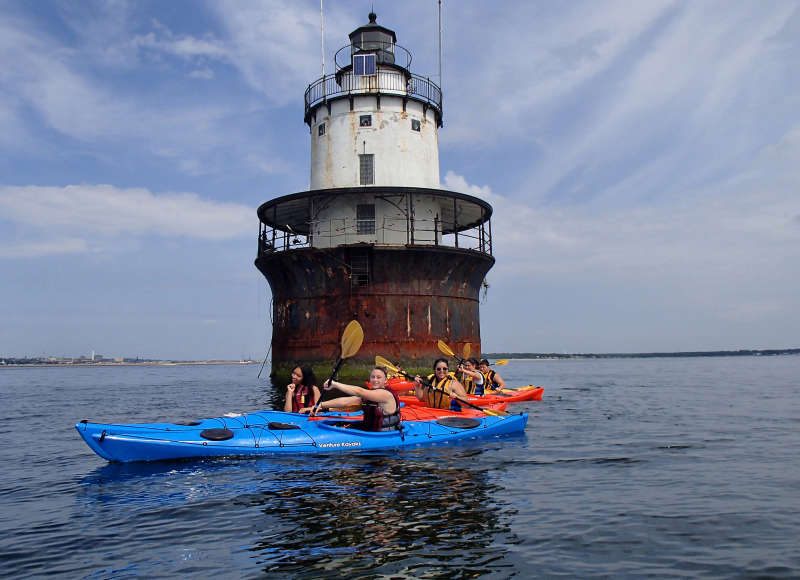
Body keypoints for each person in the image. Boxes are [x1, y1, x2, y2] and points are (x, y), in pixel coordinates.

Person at [301, 366, 401, 432]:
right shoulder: (370, 395)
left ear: (385, 380)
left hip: (385, 437)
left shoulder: (385, 394)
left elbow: (359, 391)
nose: (375, 380)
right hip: (369, 432)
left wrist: (335, 384)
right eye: (373, 377)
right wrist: (320, 406)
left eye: (379, 377)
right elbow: (346, 401)